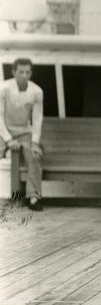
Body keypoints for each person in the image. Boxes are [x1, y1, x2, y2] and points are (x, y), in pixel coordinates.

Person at [0, 58, 44, 211]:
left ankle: (33, 197)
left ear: (31, 73)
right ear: (13, 72)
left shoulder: (37, 91)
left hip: (24, 132)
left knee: (35, 155)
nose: (24, 75)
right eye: (21, 72)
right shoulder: (3, 89)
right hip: (3, 131)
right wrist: (8, 139)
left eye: (27, 72)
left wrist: (35, 142)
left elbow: (37, 119)